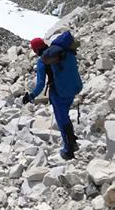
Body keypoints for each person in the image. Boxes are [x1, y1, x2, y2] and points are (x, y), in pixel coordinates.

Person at [22, 31, 82, 160]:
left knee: (62, 120)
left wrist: (30, 96)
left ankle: (68, 150)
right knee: (65, 117)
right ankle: (73, 142)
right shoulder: (63, 52)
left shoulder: (43, 61)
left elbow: (40, 85)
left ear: (36, 50)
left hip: (58, 93)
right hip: (72, 90)